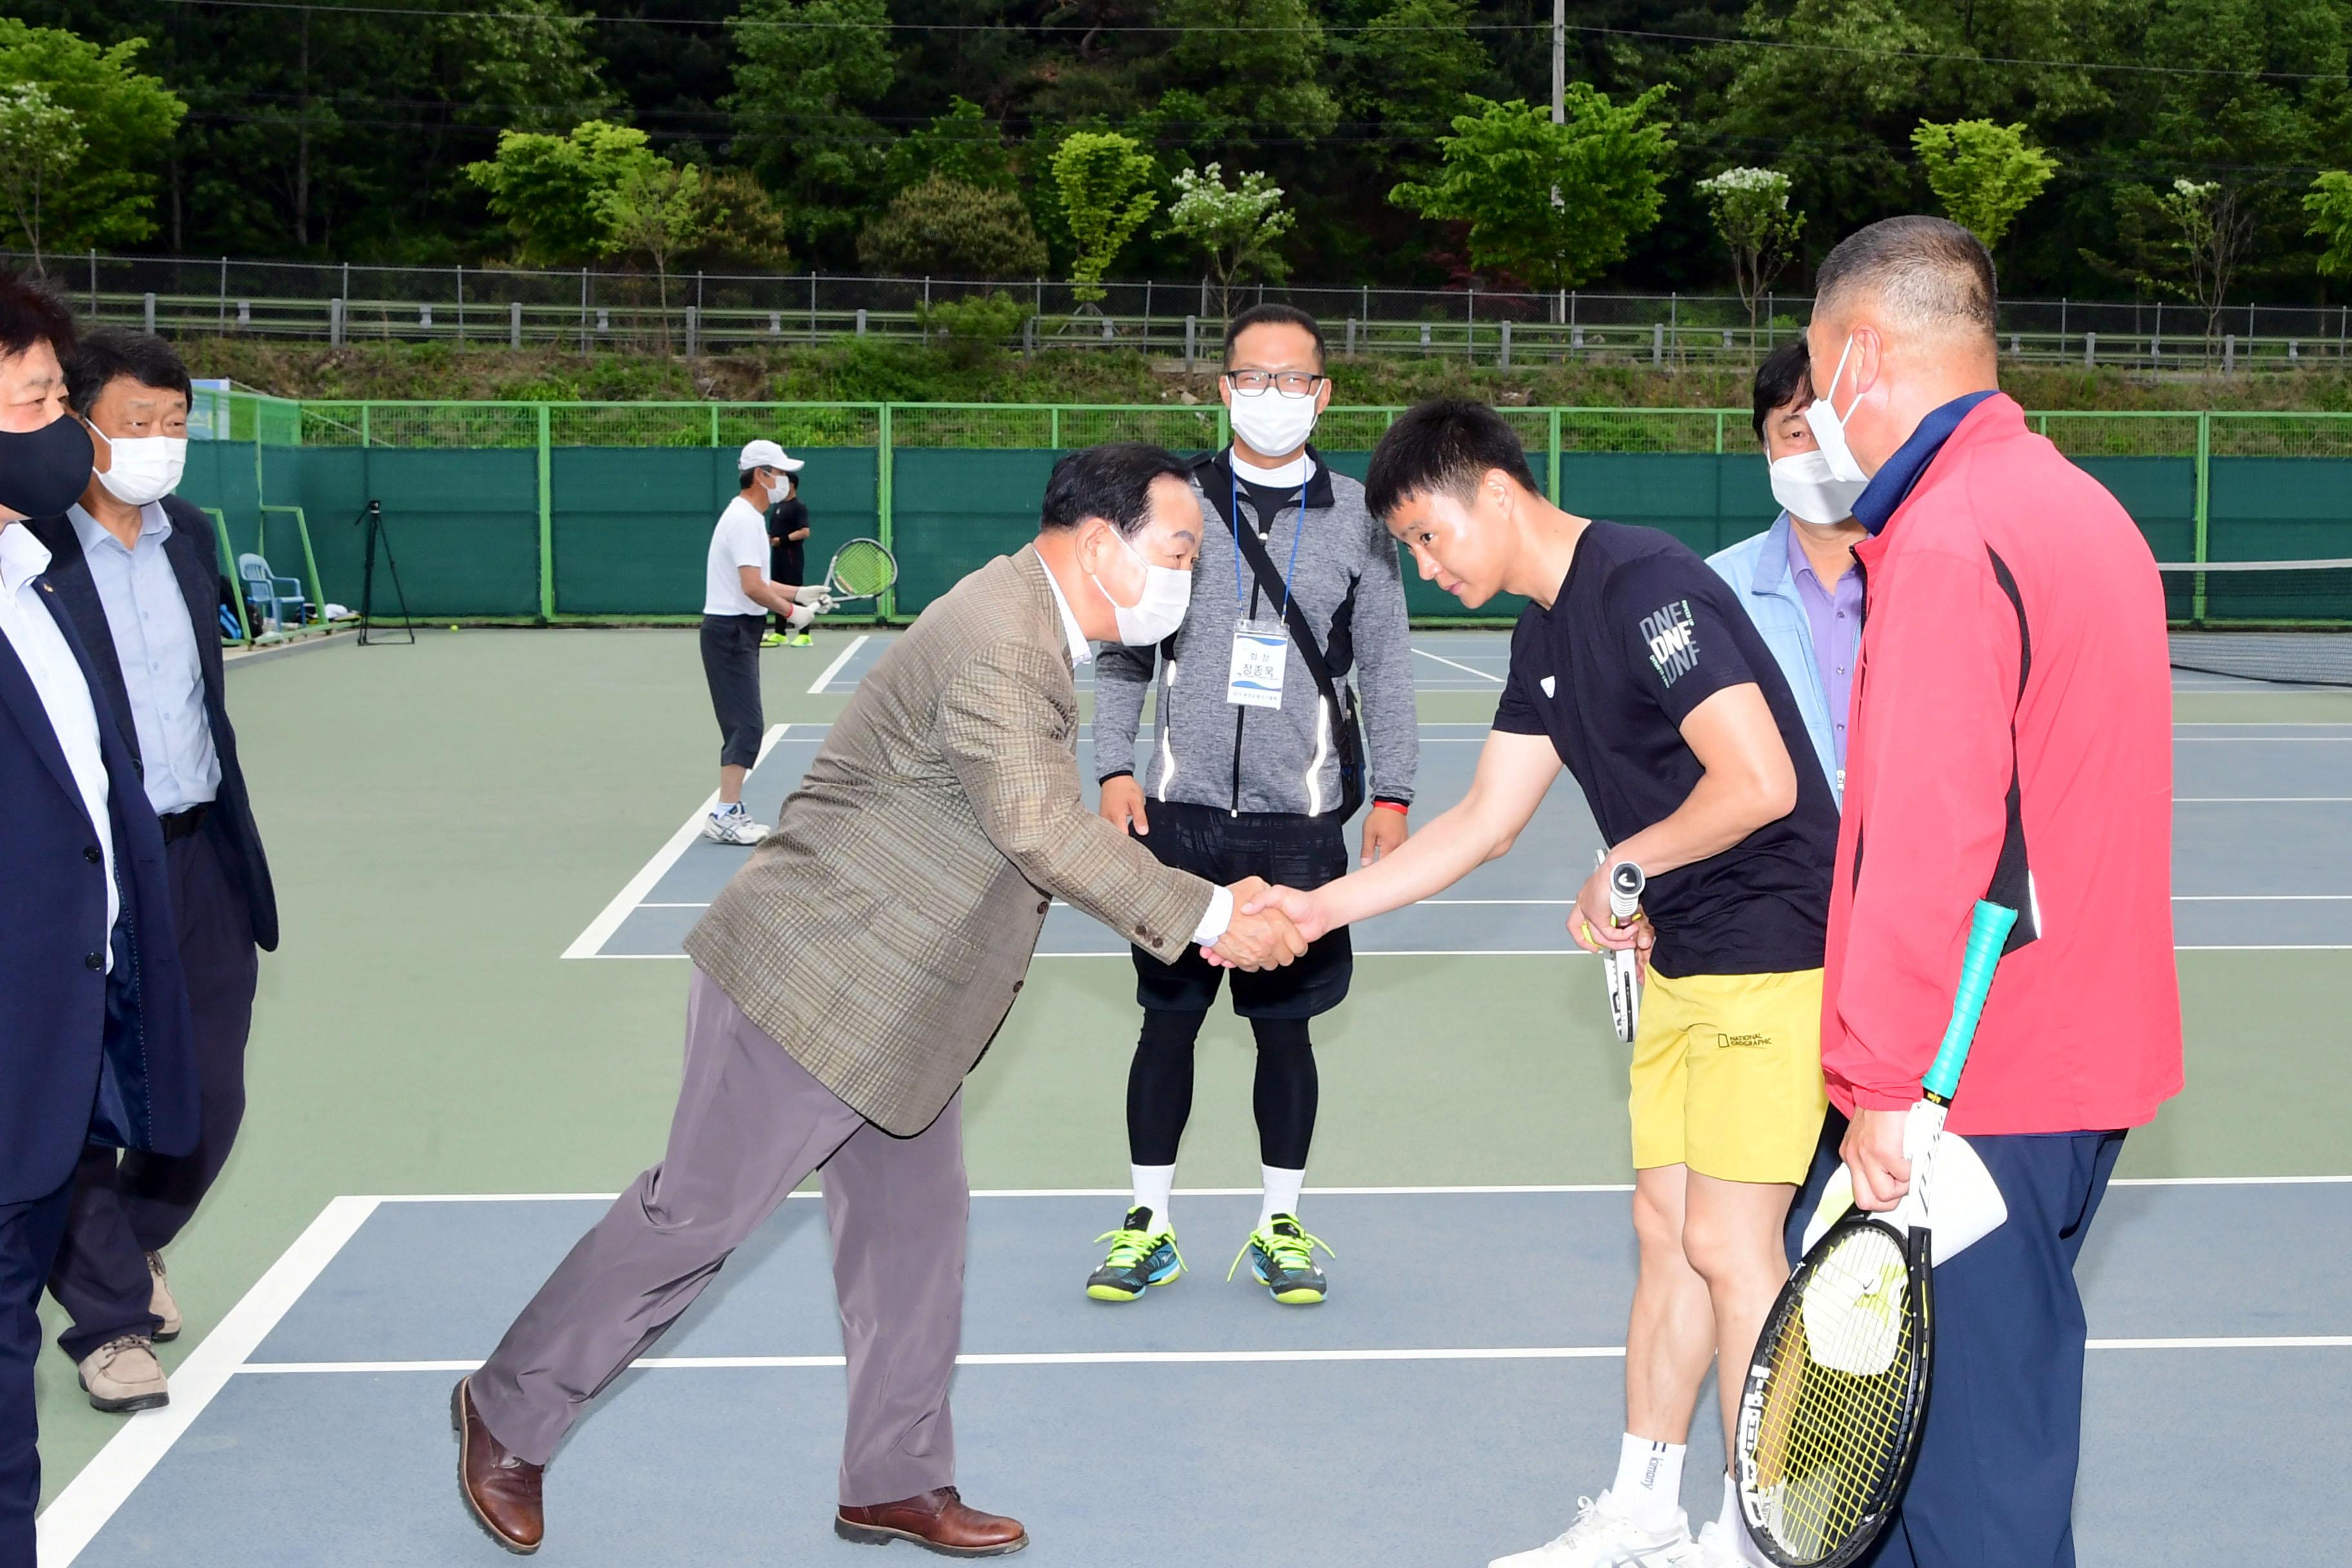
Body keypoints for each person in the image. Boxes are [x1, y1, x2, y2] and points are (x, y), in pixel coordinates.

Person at [453, 442, 1310, 1559]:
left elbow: (1037, 819)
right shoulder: (1002, 640)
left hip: (904, 1002)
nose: (1189, 579)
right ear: (1102, 544)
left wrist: (1205, 897)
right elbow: (1042, 831)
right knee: (695, 1219)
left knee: (912, 1242)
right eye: (1182, 552)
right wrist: (1207, 918)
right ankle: (506, 1408)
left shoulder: (1032, 628)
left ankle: (891, 1481)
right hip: (814, 978)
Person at [1237, 400, 1841, 1568]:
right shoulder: (1543, 636)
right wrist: (1314, 909)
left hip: (1780, 948)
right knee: (1663, 1230)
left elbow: (1760, 780)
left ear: (1497, 496)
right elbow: (1480, 823)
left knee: (1728, 1241)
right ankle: (1644, 1509)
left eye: (1427, 536)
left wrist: (1624, 860)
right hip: (1682, 957)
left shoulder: (1644, 586)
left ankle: (1765, 1531)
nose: (1425, 563)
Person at [1794, 215, 2180, 1568]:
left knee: (1966, 1489)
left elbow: (1929, 831)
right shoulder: (2079, 506)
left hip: (1972, 1081)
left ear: (1859, 354)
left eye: (1812, 373)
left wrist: (1881, 1082)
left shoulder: (1954, 538)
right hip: (2069, 1065)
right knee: (1932, 1473)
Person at [1087, 303, 1418, 1308]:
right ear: (1224, 388)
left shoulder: (1361, 517)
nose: (1274, 396)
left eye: (1294, 381)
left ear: (1323, 395)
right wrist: (1111, 767)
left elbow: (1391, 667)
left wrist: (1393, 793)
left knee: (1286, 1035)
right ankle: (1148, 1224)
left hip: (1300, 825)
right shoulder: (1171, 500)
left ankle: (1281, 1223)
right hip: (1179, 819)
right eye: (1254, 378)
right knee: (1166, 1027)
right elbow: (1121, 649)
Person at [25, 329, 278, 1415]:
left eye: (176, 425)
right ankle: (109, 1322)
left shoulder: (193, 536)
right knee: (84, 1100)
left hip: (201, 849)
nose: (160, 444)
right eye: (138, 423)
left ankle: (127, 1248)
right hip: (90, 864)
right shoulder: (31, 550)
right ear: (78, 422)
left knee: (204, 1090)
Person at [0, 272, 197, 1568]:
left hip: (49, 1075)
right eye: (33, 401)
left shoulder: (32, 580)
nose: (62, 427)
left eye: (59, 397)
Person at [1705, 342, 1867, 801]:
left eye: (1829, 432)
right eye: (1795, 434)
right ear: (1766, 450)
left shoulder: (1931, 579)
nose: (1814, 451)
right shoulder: (1717, 591)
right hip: (1777, 865)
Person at [701, 438, 826, 845]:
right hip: (730, 630)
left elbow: (761, 583)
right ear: (761, 475)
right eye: (780, 472)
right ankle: (724, 813)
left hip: (738, 630)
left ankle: (728, 809)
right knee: (747, 726)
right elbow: (752, 587)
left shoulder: (750, 518)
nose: (786, 480)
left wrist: (799, 592)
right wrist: (794, 616)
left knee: (744, 724)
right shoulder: (744, 520)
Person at [765, 466, 814, 648]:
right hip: (777, 556)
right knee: (777, 593)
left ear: (791, 485)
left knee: (797, 593)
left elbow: (805, 532)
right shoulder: (778, 506)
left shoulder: (798, 507)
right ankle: (780, 633)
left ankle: (805, 635)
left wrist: (782, 540)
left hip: (792, 556)